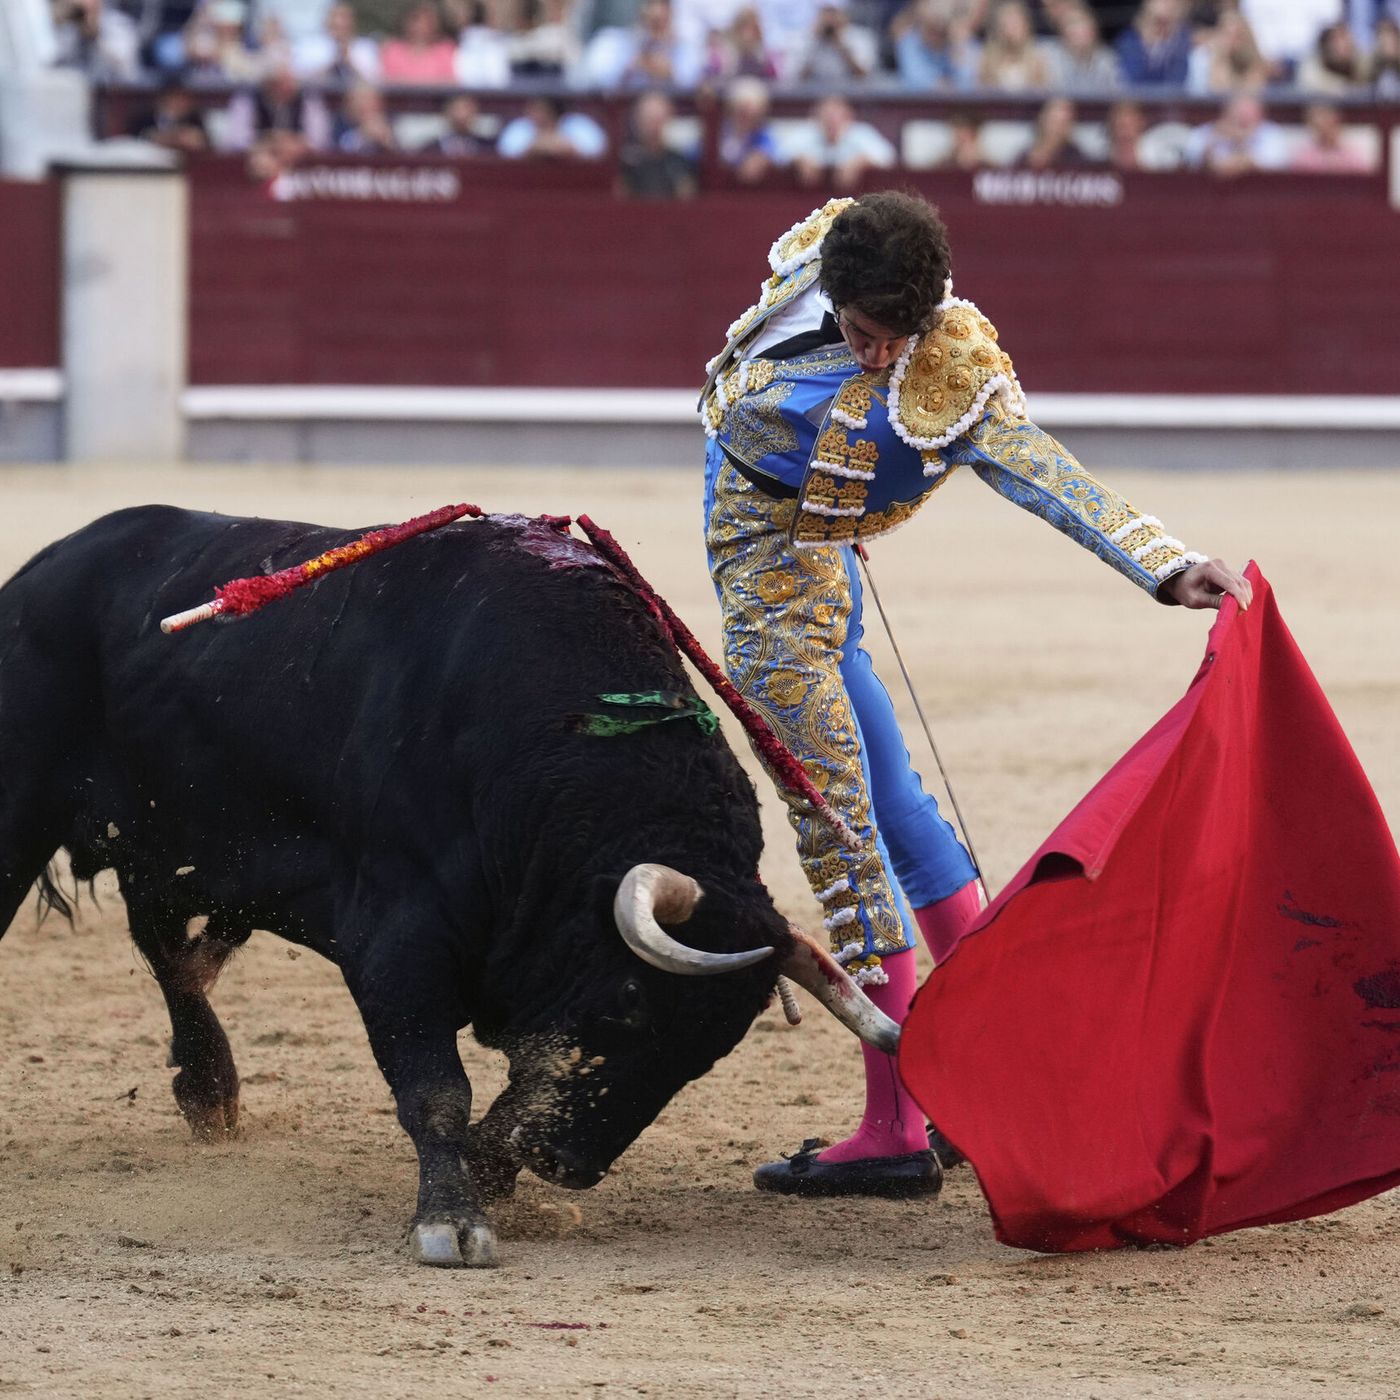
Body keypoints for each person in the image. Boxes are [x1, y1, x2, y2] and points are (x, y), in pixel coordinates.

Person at [698, 192, 1251, 1196]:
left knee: (844, 834)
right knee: (892, 813)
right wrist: (839, 490)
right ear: (830, 290)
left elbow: (1046, 473)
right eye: (864, 336)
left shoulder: (946, 364)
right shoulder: (814, 255)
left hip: (782, 614)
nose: (878, 358)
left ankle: (894, 1124)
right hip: (807, 574)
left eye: (894, 339)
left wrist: (1163, 564)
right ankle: (991, 1067)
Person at [784, 95, 896, 189]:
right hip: (808, 198)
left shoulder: (860, 133)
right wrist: (799, 159)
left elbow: (888, 156)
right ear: (816, 117)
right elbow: (780, 154)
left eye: (836, 117)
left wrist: (860, 162)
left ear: (848, 117)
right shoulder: (806, 133)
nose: (831, 122)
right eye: (826, 117)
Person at [617, 91, 700, 198]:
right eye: (648, 120)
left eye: (659, 120)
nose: (654, 127)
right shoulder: (624, 163)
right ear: (636, 121)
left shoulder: (682, 162)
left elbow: (688, 198)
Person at [1183, 93, 1289, 175]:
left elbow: (1275, 165)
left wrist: (1242, 144)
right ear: (1226, 113)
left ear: (1261, 116)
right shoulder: (1206, 132)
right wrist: (1210, 146)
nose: (1243, 120)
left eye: (1249, 116)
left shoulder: (1272, 134)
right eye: (1239, 115)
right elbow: (1190, 160)